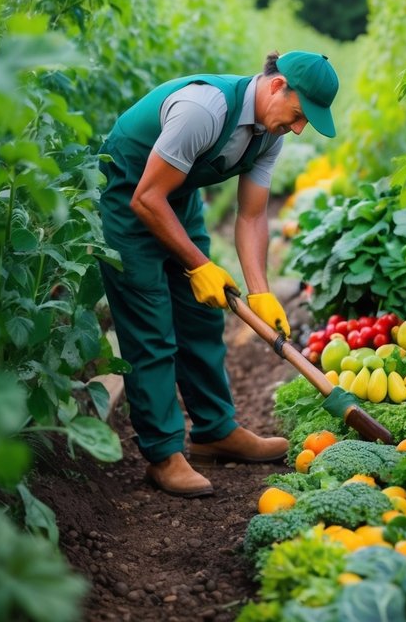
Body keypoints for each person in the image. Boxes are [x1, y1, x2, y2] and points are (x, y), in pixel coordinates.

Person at [98, 51, 338, 497]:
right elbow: (146, 198)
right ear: (276, 85)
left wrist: (261, 293)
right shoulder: (203, 110)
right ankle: (163, 454)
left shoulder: (269, 133)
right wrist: (201, 265)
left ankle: (214, 431)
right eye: (300, 114)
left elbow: (250, 217)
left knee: (203, 315)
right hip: (132, 195)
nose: (300, 128)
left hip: (177, 199)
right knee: (151, 327)